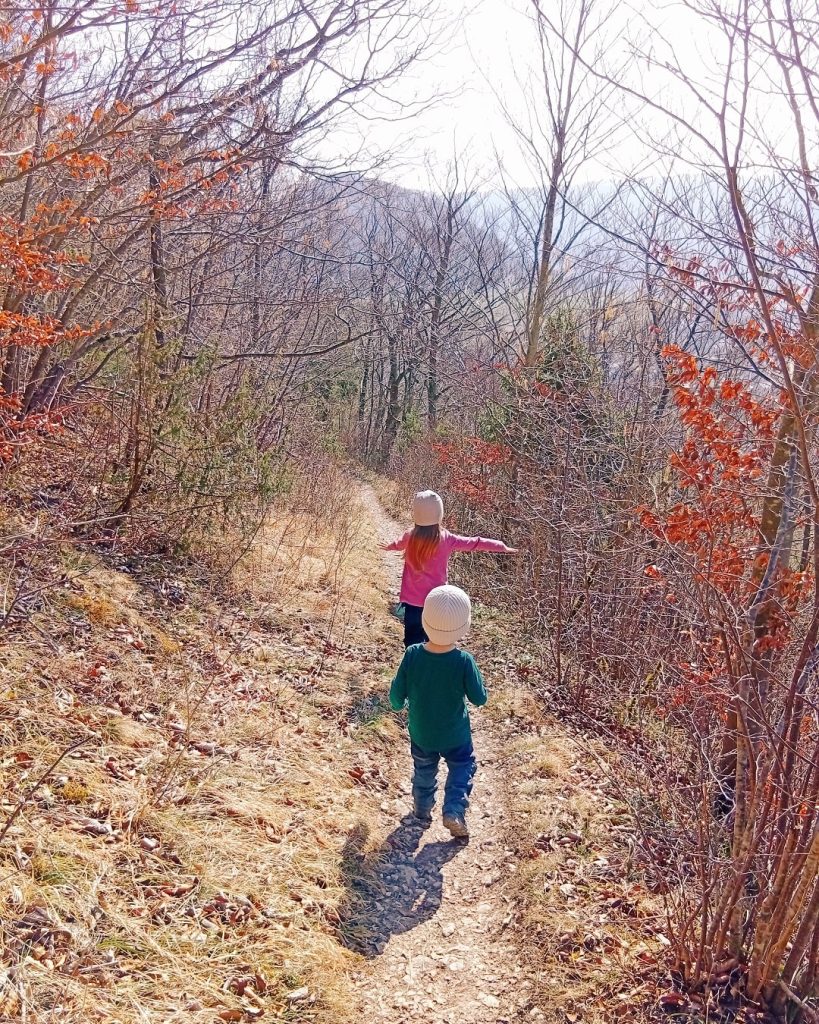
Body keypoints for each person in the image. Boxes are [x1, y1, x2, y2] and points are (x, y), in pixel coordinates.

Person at [389, 584, 487, 839]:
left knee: (423, 771)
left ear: (424, 620)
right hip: (456, 735)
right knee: (462, 766)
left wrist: (398, 704)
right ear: (464, 625)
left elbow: (396, 694)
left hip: (422, 732)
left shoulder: (412, 655)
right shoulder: (463, 661)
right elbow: (479, 699)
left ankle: (421, 810)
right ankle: (454, 809)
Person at [383, 489, 516, 647]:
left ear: (416, 514)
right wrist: (501, 546)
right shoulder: (447, 539)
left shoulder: (410, 536)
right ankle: (432, 665)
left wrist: (390, 547)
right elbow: (474, 543)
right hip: (436, 600)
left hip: (411, 601)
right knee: (432, 639)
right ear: (439, 514)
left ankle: (412, 665)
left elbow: (398, 544)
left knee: (411, 639)